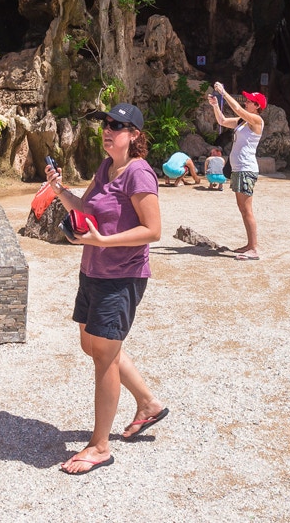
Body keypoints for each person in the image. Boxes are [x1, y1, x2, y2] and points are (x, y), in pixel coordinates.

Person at [44, 103, 167, 475]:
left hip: (122, 275)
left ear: (135, 136)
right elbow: (85, 205)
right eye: (106, 125)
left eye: (117, 126)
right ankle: (148, 403)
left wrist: (103, 241)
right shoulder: (106, 168)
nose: (108, 130)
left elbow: (153, 231)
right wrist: (58, 189)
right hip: (93, 270)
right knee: (92, 345)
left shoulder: (139, 174)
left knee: (105, 356)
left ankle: (100, 446)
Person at [210, 83, 265, 260]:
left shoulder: (256, 120)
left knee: (247, 209)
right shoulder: (243, 122)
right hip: (238, 169)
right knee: (243, 208)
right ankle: (250, 245)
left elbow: (238, 109)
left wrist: (223, 93)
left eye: (250, 101)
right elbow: (222, 121)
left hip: (246, 169)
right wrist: (215, 106)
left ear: (257, 106)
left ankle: (254, 248)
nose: (247, 102)